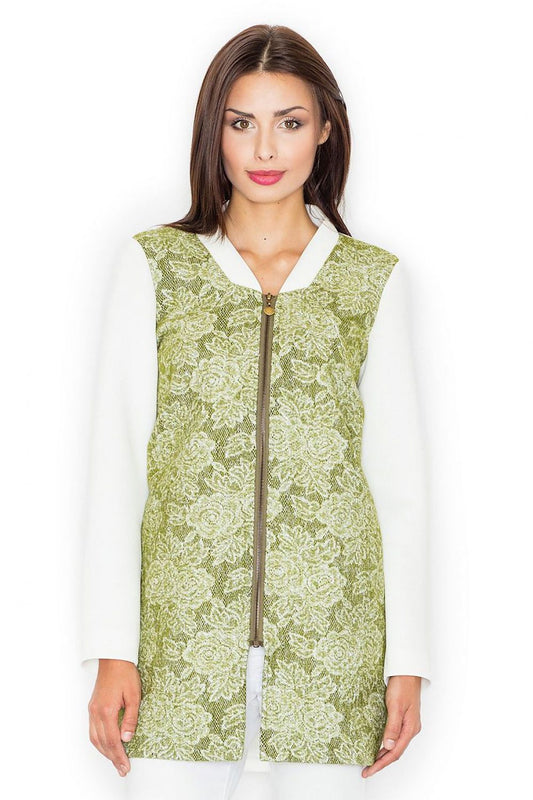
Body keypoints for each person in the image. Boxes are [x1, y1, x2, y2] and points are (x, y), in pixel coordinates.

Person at [80, 23, 432, 800]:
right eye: (241, 123)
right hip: (177, 647)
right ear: (214, 130)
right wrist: (111, 647)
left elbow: (398, 484)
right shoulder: (156, 266)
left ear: (325, 129)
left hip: (333, 646)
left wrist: (406, 659)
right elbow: (116, 465)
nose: (264, 149)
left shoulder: (370, 280)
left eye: (290, 122)